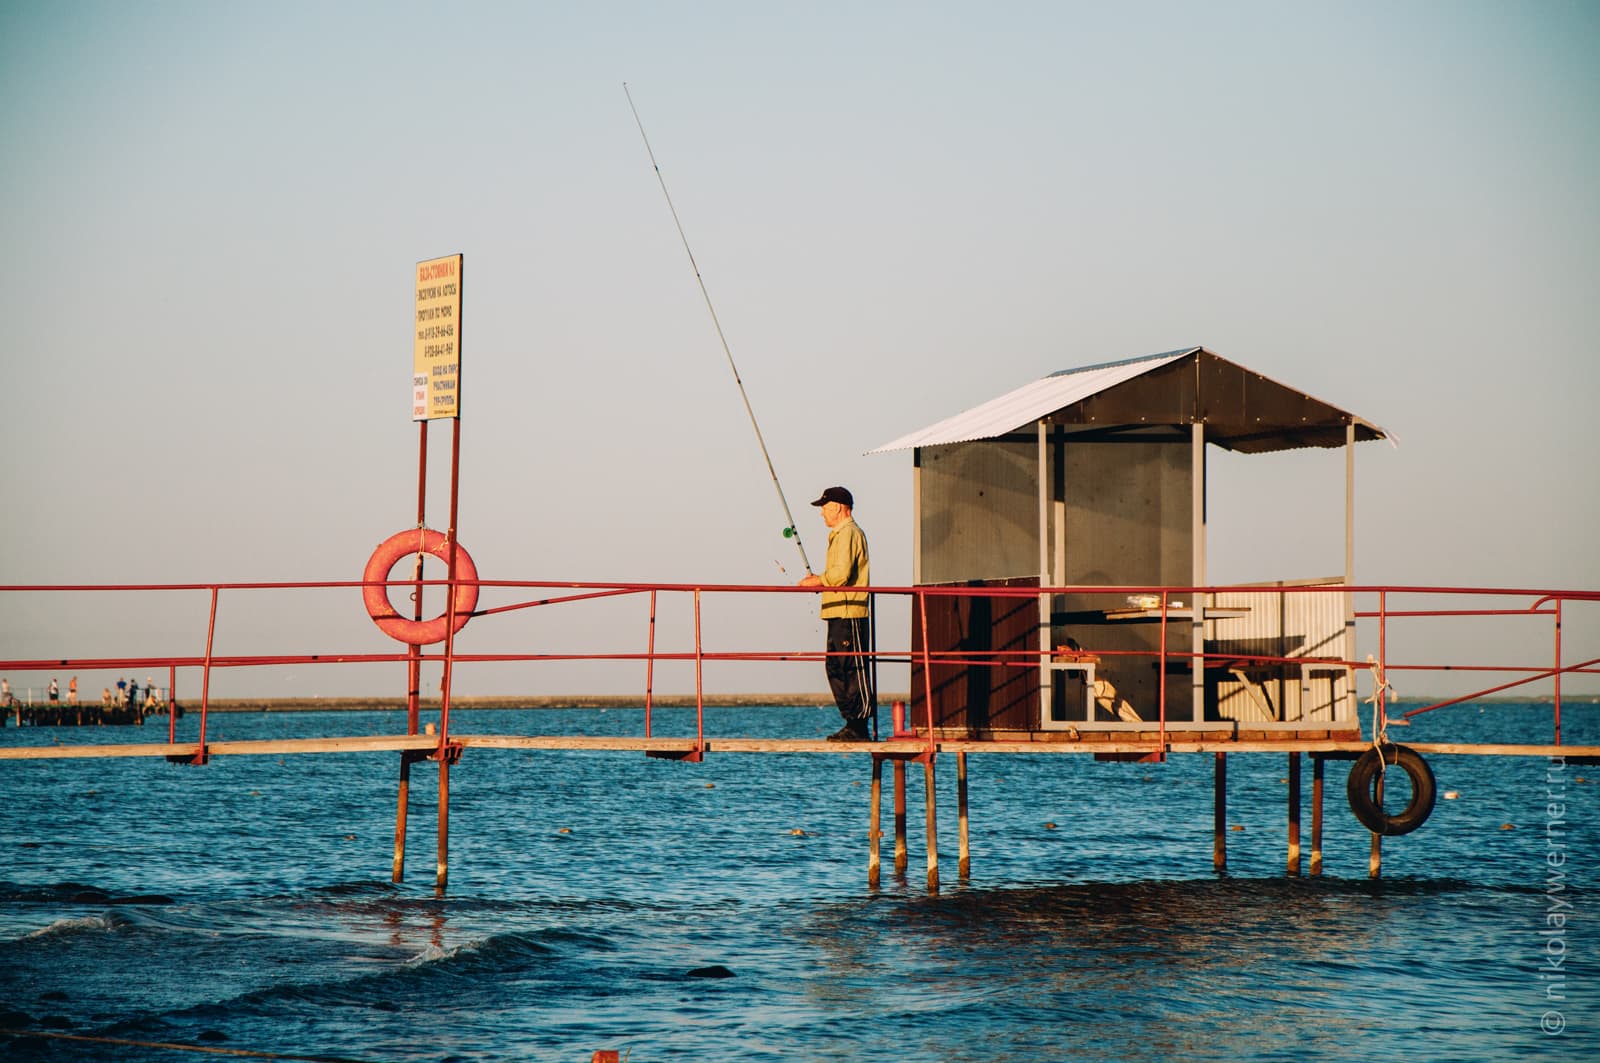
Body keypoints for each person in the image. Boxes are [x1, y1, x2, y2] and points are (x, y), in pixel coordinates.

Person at [798, 486, 872, 741]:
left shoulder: (848, 533)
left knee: (851, 666)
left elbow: (840, 575)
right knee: (836, 666)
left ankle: (859, 725)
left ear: (839, 507)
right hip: (837, 609)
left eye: (825, 508)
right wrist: (821, 582)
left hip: (850, 611)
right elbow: (837, 576)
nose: (822, 515)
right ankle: (851, 722)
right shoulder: (840, 535)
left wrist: (818, 581)